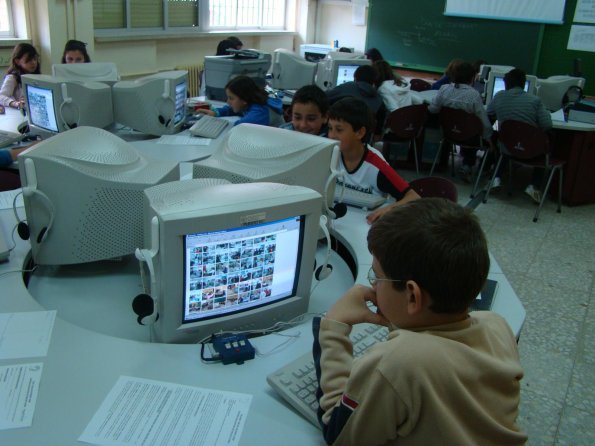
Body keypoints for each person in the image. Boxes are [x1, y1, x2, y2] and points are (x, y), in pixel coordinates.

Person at [313, 198, 527, 446]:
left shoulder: (399, 362)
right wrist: (400, 319)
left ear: (413, 296)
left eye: (378, 277)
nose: (372, 285)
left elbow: (339, 434)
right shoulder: (496, 325)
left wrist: (332, 326)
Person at [327, 97, 419, 224]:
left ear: (359, 133)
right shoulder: (329, 155)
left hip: (365, 224)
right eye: (330, 128)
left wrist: (389, 208)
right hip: (338, 220)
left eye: (339, 130)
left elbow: (414, 197)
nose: (331, 135)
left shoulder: (376, 165)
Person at [487, 68, 552, 202]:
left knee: (505, 138)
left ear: (506, 84)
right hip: (531, 151)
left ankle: (495, 178)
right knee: (546, 142)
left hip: (507, 148)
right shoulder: (535, 101)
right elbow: (547, 125)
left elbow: (489, 113)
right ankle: (534, 186)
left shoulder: (499, 96)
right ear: (523, 84)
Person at [428, 61, 493, 182]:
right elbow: (484, 122)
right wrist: (489, 137)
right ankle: (468, 165)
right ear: (472, 77)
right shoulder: (474, 95)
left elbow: (432, 109)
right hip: (469, 137)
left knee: (467, 127)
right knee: (474, 129)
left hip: (448, 134)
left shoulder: (444, 89)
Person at [197, 75, 284, 127]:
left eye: (231, 98)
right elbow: (232, 109)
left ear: (244, 99)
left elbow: (240, 127)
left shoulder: (260, 111)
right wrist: (215, 113)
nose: (228, 101)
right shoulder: (251, 102)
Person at [326, 65, 386, 140]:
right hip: (362, 139)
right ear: (374, 82)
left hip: (334, 136)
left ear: (355, 78)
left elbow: (323, 98)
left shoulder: (346, 87)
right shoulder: (379, 99)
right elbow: (379, 127)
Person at [0, 43, 40, 110]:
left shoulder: (37, 76)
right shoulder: (13, 78)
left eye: (35, 59)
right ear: (17, 61)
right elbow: (1, 96)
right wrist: (15, 103)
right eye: (29, 60)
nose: (33, 62)